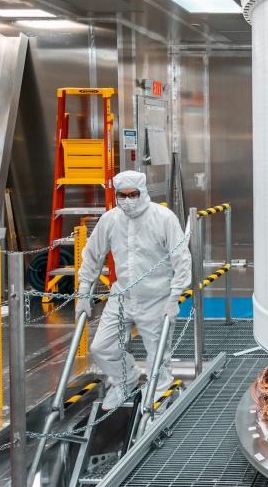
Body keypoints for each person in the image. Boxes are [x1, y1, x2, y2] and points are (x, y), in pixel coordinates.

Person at [75, 170, 191, 409]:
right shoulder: (110, 219)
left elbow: (182, 258)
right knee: (101, 347)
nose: (128, 200)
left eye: (133, 194)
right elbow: (92, 255)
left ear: (143, 192)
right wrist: (84, 291)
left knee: (158, 357)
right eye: (122, 195)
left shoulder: (163, 218)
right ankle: (125, 380)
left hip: (156, 299)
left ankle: (155, 407)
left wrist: (175, 296)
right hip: (122, 297)